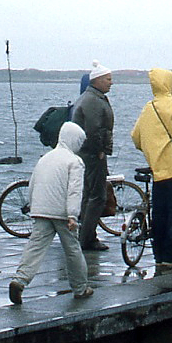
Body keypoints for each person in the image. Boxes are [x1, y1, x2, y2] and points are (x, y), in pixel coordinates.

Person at [8, 122, 92, 303]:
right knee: (72, 250)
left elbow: (33, 183)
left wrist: (33, 205)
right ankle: (80, 288)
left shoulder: (45, 158)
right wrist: (72, 215)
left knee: (35, 247)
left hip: (41, 210)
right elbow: (74, 191)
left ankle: (19, 280)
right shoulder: (75, 161)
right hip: (62, 213)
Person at [131, 69, 172, 271]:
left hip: (157, 170)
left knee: (158, 214)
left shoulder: (148, 108)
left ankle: (158, 256)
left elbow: (136, 136)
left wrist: (152, 152)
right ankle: (170, 256)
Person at [72, 60, 115, 251]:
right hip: (92, 154)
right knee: (97, 196)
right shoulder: (93, 101)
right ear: (97, 80)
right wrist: (100, 150)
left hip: (86, 153)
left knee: (87, 195)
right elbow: (94, 129)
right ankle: (87, 238)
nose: (111, 82)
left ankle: (85, 234)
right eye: (108, 79)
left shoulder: (90, 97)